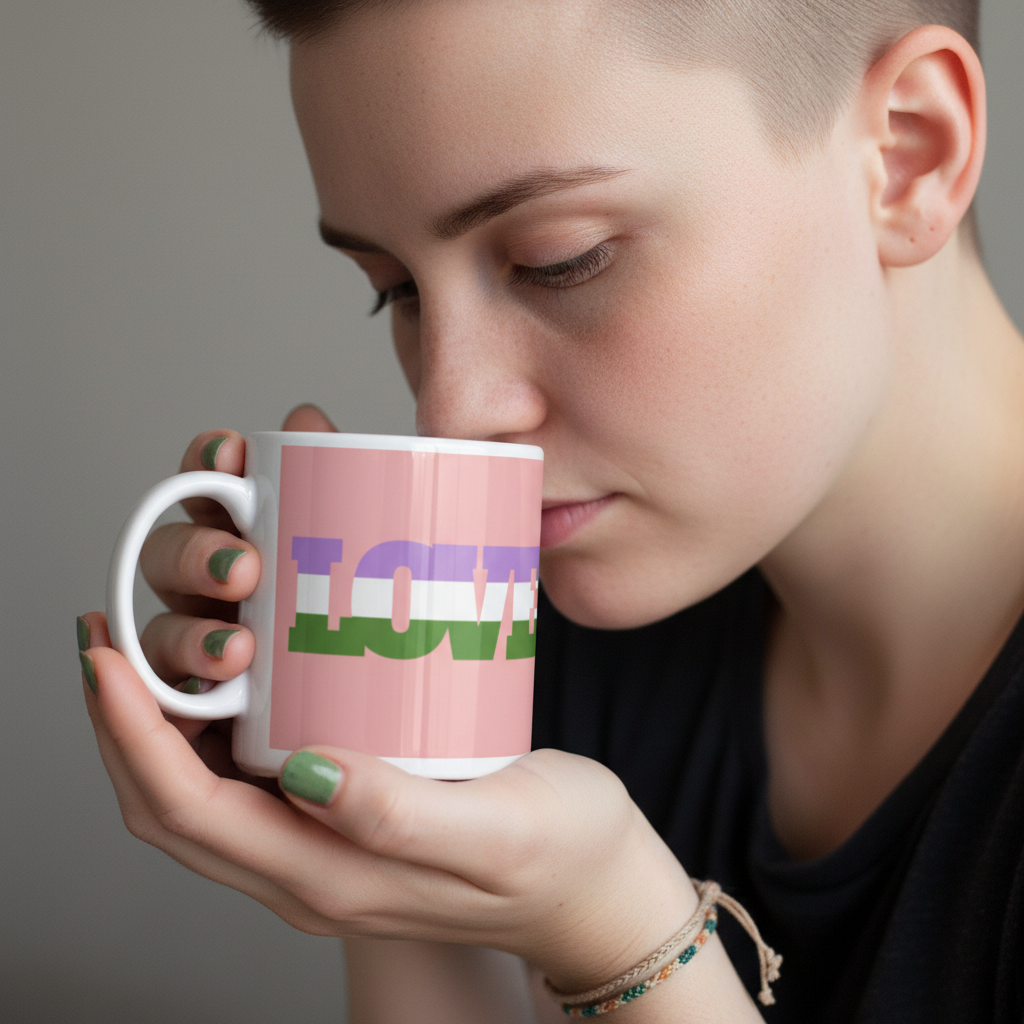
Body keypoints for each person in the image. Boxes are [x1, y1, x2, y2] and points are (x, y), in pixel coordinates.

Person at [77, 0, 1024, 1020]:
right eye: (393, 289)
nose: (450, 412)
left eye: (559, 258)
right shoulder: (545, 635)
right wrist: (374, 815)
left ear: (907, 154)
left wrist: (623, 933)